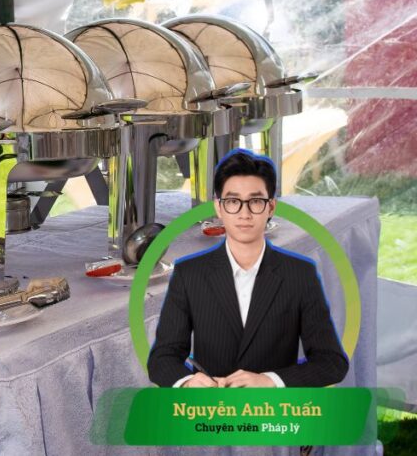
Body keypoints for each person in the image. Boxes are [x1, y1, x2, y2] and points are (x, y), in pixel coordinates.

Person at [147, 148, 349, 388]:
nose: (244, 213)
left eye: (255, 202)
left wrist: (271, 381)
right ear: (219, 208)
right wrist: (187, 382)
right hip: (208, 408)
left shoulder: (299, 274)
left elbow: (332, 362)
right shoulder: (189, 273)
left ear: (271, 207)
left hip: (275, 409)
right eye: (233, 202)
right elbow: (162, 358)